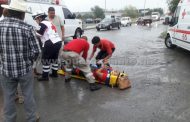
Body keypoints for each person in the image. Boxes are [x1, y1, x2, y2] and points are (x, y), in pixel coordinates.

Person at [0, 0, 41, 121]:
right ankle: (32, 118)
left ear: (9, 11)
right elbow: (37, 51)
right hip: (25, 70)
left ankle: (9, 119)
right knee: (28, 95)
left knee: (8, 96)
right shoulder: (27, 28)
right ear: (22, 14)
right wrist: (28, 61)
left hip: (5, 70)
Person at [32, 11, 62, 81]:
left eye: (36, 19)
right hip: (58, 41)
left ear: (39, 18)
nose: (36, 21)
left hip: (50, 42)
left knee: (45, 59)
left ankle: (45, 76)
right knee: (54, 59)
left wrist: (34, 32)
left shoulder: (42, 23)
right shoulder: (49, 22)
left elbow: (39, 34)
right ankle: (55, 74)